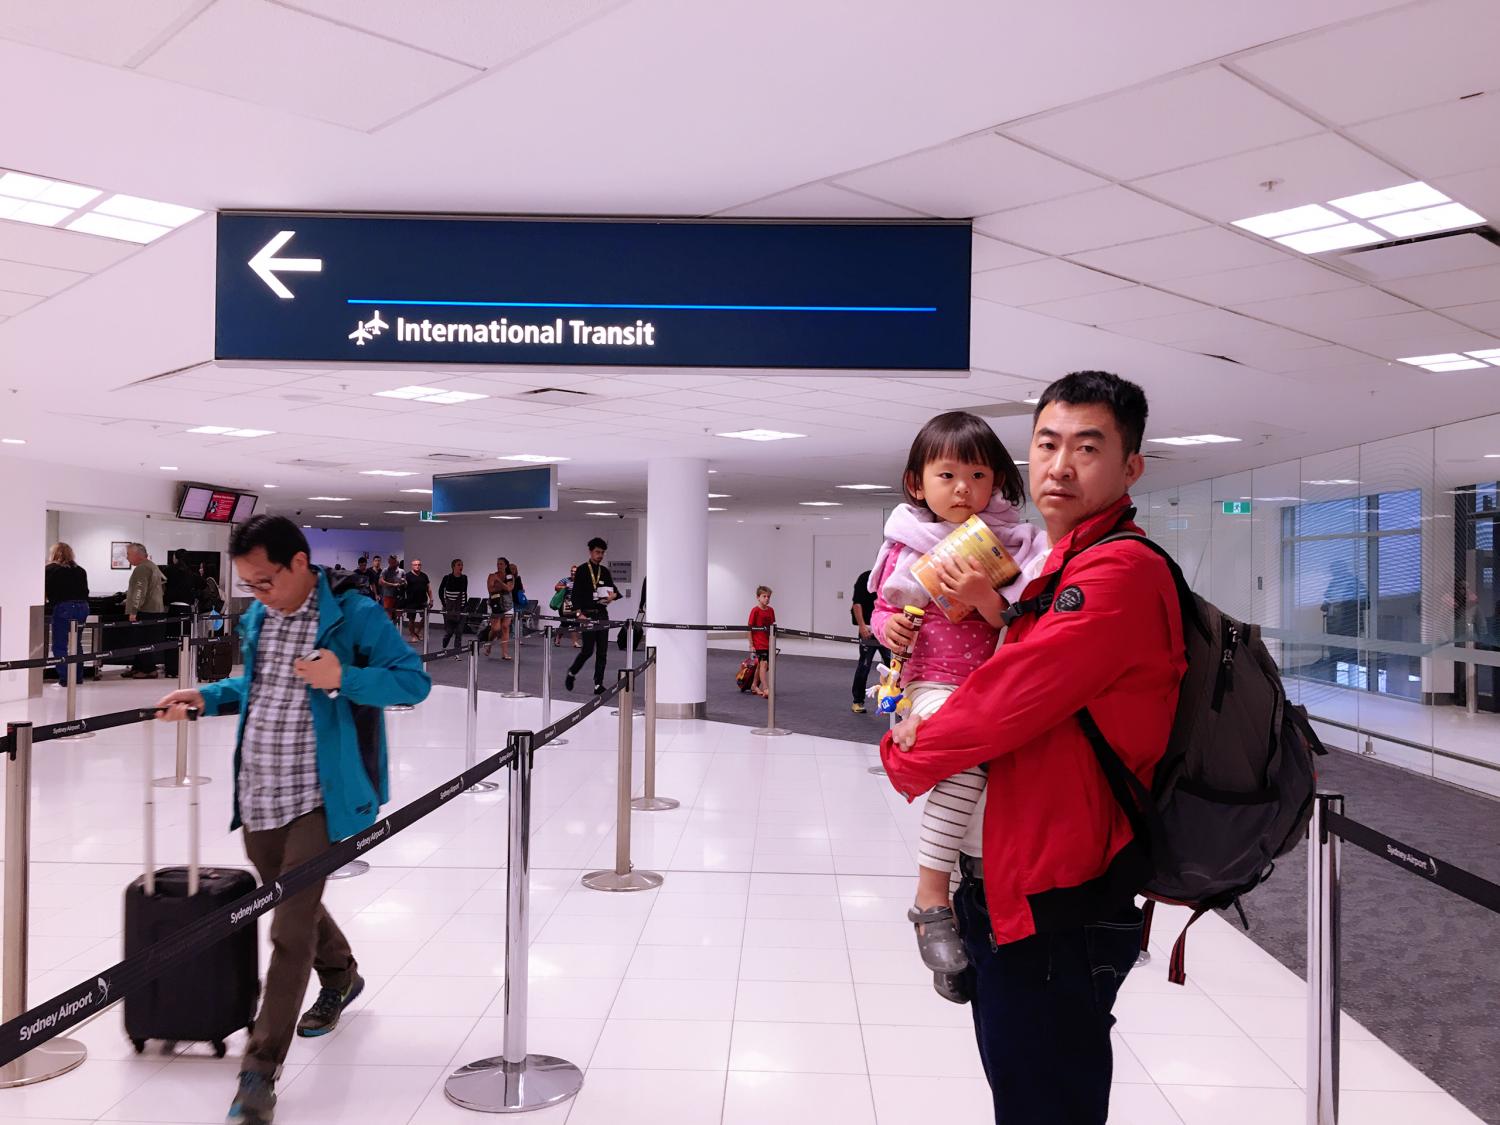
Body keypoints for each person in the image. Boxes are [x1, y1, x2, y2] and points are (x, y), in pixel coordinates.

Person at [881, 372, 1185, 1125]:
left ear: (1130, 467)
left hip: (1057, 898)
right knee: (1021, 1089)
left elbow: (1002, 704)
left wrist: (904, 754)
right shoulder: (1055, 560)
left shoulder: (1117, 571)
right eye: (1047, 445)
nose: (1060, 466)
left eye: (1088, 448)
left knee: (1043, 1102)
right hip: (1009, 881)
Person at [154, 515, 431, 1125]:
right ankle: (342, 975)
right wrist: (205, 696)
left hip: (318, 796)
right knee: (292, 901)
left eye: (265, 581)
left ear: (300, 564)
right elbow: (257, 688)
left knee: (287, 928)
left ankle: (259, 1071)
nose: (258, 594)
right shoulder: (259, 617)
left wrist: (342, 678)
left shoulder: (354, 615)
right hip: (259, 790)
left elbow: (414, 683)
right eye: (249, 585)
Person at [867, 410, 1047, 1001]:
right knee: (967, 761)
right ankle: (930, 898)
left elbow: (1021, 621)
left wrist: (985, 598)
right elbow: (883, 610)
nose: (963, 489)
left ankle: (959, 929)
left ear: (997, 479)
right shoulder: (905, 545)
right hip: (933, 685)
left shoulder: (1015, 542)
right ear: (917, 484)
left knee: (990, 794)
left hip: (994, 684)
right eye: (947, 475)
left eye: (977, 475)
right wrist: (889, 628)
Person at [565, 537, 617, 694]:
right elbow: (575, 594)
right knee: (587, 650)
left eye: (602, 553)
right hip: (587, 615)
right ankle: (572, 672)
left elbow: (614, 591)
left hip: (602, 614)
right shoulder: (582, 570)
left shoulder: (604, 571)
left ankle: (598, 684)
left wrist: (612, 597)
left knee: (602, 651)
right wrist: (579, 613)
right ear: (590, 552)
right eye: (597, 552)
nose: (600, 555)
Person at [44, 542, 90, 683]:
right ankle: (78, 677)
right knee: (77, 643)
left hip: (64, 607)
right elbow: (85, 591)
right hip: (83, 607)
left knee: (60, 644)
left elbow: (44, 591)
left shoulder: (50, 569)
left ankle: (66, 678)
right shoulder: (80, 570)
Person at [849, 568, 889, 713]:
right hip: (868, 629)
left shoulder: (891, 578)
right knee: (864, 666)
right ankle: (857, 701)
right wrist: (861, 626)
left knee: (893, 667)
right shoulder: (865, 578)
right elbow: (857, 604)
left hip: (886, 629)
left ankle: (893, 702)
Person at [124, 542, 166, 679]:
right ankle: (138, 667)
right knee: (144, 640)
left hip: (145, 611)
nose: (127, 557)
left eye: (128, 554)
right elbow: (164, 581)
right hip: (155, 609)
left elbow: (139, 591)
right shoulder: (152, 566)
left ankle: (148, 669)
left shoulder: (142, 568)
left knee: (142, 641)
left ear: (138, 555)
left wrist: (134, 610)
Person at [747, 585, 775, 697]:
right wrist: (751, 645)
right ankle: (766, 688)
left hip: (768, 643)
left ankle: (754, 685)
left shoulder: (771, 610)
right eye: (764, 596)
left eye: (768, 597)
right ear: (758, 597)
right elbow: (749, 629)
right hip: (759, 644)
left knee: (762, 666)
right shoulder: (755, 611)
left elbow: (772, 627)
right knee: (764, 664)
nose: (767, 599)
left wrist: (773, 642)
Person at [485, 557, 515, 659]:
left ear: (506, 565)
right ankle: (489, 645)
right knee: (495, 628)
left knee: (505, 627)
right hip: (495, 604)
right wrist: (503, 586)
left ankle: (505, 653)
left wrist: (498, 581)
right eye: (498, 564)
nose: (499, 566)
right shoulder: (491, 575)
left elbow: (509, 588)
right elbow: (490, 589)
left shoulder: (510, 576)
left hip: (508, 604)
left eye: (501, 564)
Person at [438, 559, 468, 649]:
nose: (461, 567)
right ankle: (446, 638)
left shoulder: (464, 578)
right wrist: (444, 603)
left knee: (459, 631)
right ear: (453, 567)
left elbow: (464, 592)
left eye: (462, 565)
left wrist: (464, 605)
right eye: (459, 565)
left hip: (461, 607)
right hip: (449, 608)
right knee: (449, 631)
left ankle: (457, 651)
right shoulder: (447, 578)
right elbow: (440, 591)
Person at [403, 558, 432, 644]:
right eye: (415, 565)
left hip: (423, 601)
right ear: (412, 566)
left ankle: (417, 632)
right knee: (411, 619)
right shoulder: (407, 576)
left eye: (419, 565)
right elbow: (403, 587)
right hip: (411, 602)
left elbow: (428, 588)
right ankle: (413, 635)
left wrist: (431, 599)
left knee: (425, 617)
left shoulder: (424, 576)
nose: (417, 566)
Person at [552, 565, 581, 648]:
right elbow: (556, 587)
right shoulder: (565, 580)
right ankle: (557, 639)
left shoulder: (581, 581)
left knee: (576, 623)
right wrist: (565, 586)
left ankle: (575, 642)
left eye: (575, 571)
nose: (573, 573)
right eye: (572, 571)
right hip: (565, 604)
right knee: (565, 623)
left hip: (576, 604)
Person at [378, 554, 405, 621]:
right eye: (391, 561)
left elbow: (405, 583)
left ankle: (396, 627)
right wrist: (393, 585)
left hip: (398, 596)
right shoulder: (385, 570)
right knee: (388, 615)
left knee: (398, 616)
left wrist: (403, 582)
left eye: (394, 561)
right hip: (388, 596)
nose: (392, 563)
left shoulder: (401, 571)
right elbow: (380, 582)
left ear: (396, 561)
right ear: (389, 561)